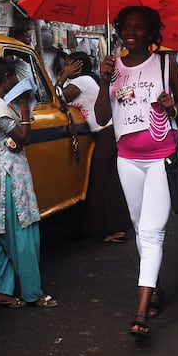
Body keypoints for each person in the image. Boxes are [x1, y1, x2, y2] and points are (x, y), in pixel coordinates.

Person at [94, 6, 178, 339]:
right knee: (140, 227)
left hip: (161, 158)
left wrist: (172, 106)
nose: (132, 32)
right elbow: (103, 116)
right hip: (128, 159)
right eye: (127, 27)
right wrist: (104, 80)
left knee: (151, 231)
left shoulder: (166, 64)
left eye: (140, 27)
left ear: (151, 33)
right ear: (120, 30)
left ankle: (140, 312)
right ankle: (155, 286)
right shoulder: (112, 68)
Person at [0, 57, 58, 310]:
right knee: (23, 238)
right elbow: (22, 137)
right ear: (7, 79)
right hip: (9, 179)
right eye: (14, 78)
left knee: (2, 238)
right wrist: (24, 108)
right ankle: (34, 292)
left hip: (6, 176)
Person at [55, 52, 129, 244]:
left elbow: (58, 97)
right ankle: (112, 227)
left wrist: (62, 76)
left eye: (69, 64)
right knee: (106, 179)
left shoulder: (83, 81)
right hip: (104, 134)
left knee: (102, 180)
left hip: (107, 132)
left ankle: (114, 228)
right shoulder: (82, 82)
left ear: (77, 66)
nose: (65, 66)